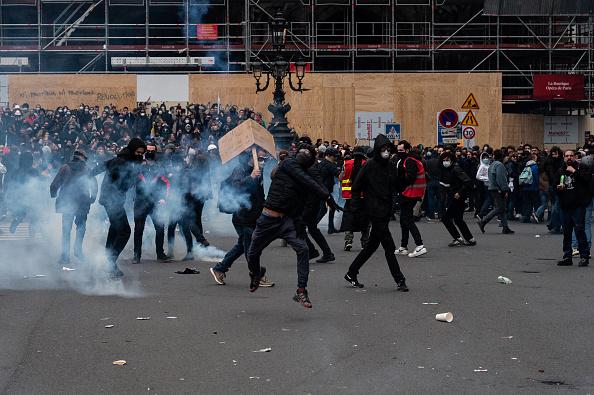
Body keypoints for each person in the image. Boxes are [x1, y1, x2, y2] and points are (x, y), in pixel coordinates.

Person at [246, 143, 340, 309]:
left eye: (308, 153)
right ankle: (255, 273)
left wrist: (324, 196)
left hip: (288, 221)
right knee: (252, 253)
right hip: (268, 218)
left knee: (303, 249)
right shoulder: (288, 164)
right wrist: (327, 197)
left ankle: (301, 290)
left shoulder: (306, 171)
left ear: (311, 161)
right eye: (302, 151)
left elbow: (314, 184)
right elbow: (308, 182)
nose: (304, 153)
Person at [344, 134, 408, 292]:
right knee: (389, 246)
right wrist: (356, 206)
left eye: (388, 149)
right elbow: (356, 187)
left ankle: (352, 272)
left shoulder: (391, 165)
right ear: (378, 149)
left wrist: (403, 174)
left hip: (385, 210)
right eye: (383, 149)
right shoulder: (369, 165)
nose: (386, 152)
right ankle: (399, 279)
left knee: (372, 245)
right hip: (374, 210)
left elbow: (398, 187)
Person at [209, 149, 274, 287]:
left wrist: (265, 208)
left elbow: (259, 194)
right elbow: (236, 188)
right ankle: (257, 276)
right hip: (243, 217)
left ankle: (219, 268)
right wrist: (251, 177)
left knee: (242, 246)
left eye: (264, 160)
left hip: (253, 215)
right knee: (251, 249)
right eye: (261, 159)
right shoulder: (241, 170)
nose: (263, 162)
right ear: (251, 158)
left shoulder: (258, 171)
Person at [92, 137, 147, 277]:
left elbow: (100, 168)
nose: (140, 155)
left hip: (113, 200)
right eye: (138, 152)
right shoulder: (121, 161)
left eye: (142, 153)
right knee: (125, 231)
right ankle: (110, 263)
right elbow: (122, 183)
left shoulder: (124, 160)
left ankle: (107, 260)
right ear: (132, 149)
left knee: (115, 229)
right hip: (112, 200)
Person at [50, 149, 97, 264]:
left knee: (66, 229)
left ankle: (65, 256)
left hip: (68, 201)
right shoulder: (87, 169)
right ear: (84, 158)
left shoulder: (65, 167)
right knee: (80, 227)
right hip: (83, 202)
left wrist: (53, 194)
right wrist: (92, 198)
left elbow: (54, 184)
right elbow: (94, 185)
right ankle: (78, 251)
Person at [132, 149, 171, 263]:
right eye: (148, 159)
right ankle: (136, 255)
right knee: (139, 230)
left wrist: (164, 198)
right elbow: (130, 184)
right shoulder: (138, 170)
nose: (149, 162)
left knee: (159, 228)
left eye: (151, 159)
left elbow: (166, 184)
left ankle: (160, 254)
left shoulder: (159, 170)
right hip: (140, 203)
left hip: (155, 203)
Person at [555, 150, 591, 267]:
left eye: (571, 156)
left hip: (578, 206)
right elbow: (554, 185)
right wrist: (558, 189)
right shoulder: (561, 170)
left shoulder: (582, 167)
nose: (569, 158)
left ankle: (584, 256)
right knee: (566, 232)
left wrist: (575, 172)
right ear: (564, 158)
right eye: (567, 156)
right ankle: (567, 256)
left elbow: (588, 180)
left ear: (575, 157)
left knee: (580, 231)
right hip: (565, 206)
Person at [395, 140, 427, 258]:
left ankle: (420, 245)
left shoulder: (409, 161)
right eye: (398, 150)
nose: (399, 152)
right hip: (412, 193)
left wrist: (401, 183)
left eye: (401, 150)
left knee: (407, 219)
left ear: (407, 150)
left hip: (410, 193)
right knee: (404, 220)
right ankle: (404, 246)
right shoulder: (414, 160)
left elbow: (411, 177)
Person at [180, 148, 212, 261]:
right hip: (200, 197)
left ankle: (198, 242)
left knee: (186, 222)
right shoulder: (204, 162)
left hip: (190, 196)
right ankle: (200, 247)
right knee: (197, 220)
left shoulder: (193, 167)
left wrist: (186, 166)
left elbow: (186, 180)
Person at [438, 151, 476, 247]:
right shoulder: (450, 169)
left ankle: (458, 238)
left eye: (447, 160)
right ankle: (470, 239)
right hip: (456, 197)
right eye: (444, 160)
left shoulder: (456, 169)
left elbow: (467, 181)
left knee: (446, 218)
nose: (445, 162)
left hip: (457, 198)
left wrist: (459, 192)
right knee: (458, 219)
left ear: (452, 160)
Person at [339, 146, 370, 251]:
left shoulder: (346, 164)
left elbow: (341, 178)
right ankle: (365, 242)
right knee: (365, 220)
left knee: (349, 219)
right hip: (363, 197)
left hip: (349, 197)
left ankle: (348, 241)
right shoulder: (367, 164)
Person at [477, 149, 514, 234]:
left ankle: (505, 227)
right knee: (499, 208)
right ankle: (483, 221)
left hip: (493, 188)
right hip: (498, 189)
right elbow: (501, 179)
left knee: (502, 208)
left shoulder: (492, 164)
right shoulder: (500, 165)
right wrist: (505, 190)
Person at [317, 148, 340, 234]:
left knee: (332, 207)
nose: (335, 158)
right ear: (329, 155)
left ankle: (331, 227)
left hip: (322, 189)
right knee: (323, 209)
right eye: (334, 156)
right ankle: (312, 226)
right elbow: (338, 175)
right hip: (324, 191)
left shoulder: (321, 163)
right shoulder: (329, 165)